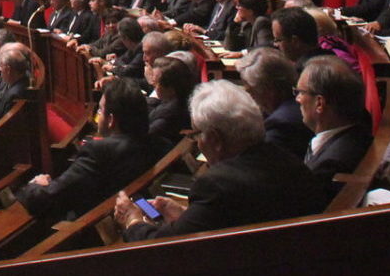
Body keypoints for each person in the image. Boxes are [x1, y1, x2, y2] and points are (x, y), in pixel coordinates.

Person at [115, 80, 328, 239]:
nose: (198, 142)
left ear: (215, 139)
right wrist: (183, 216)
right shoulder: (287, 159)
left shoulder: (217, 184)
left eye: (197, 134)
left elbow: (165, 248)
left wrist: (133, 221)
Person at [18, 78, 154, 220]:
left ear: (111, 120)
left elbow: (44, 198)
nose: (97, 114)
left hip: (93, 228)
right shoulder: (151, 141)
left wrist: (36, 186)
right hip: (132, 206)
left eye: (100, 110)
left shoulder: (99, 151)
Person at [297, 55, 372, 196]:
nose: (297, 99)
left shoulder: (328, 167)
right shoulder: (360, 135)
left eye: (301, 92)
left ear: (319, 103)